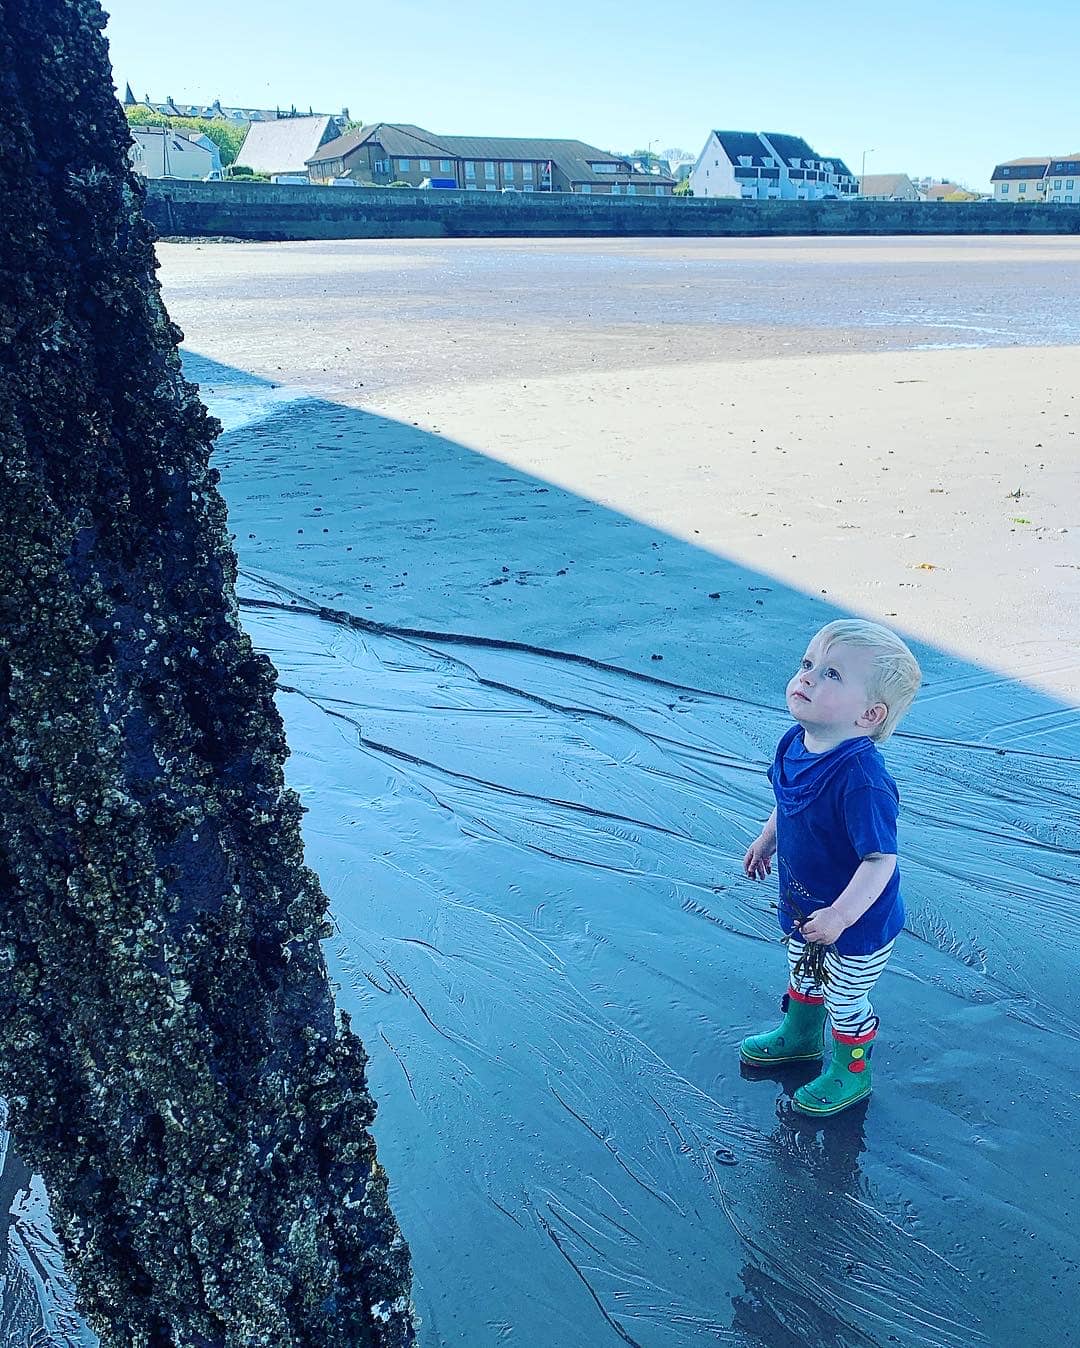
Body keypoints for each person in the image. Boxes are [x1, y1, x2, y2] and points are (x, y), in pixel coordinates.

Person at [740, 620, 922, 1116]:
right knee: (803, 970)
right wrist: (766, 840)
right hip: (805, 902)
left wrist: (841, 916)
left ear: (869, 715)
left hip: (858, 921)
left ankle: (851, 1071)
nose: (808, 677)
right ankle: (801, 1036)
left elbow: (880, 859)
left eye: (832, 674)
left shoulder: (863, 780)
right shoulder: (795, 744)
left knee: (844, 996)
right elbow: (788, 802)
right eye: (808, 664)